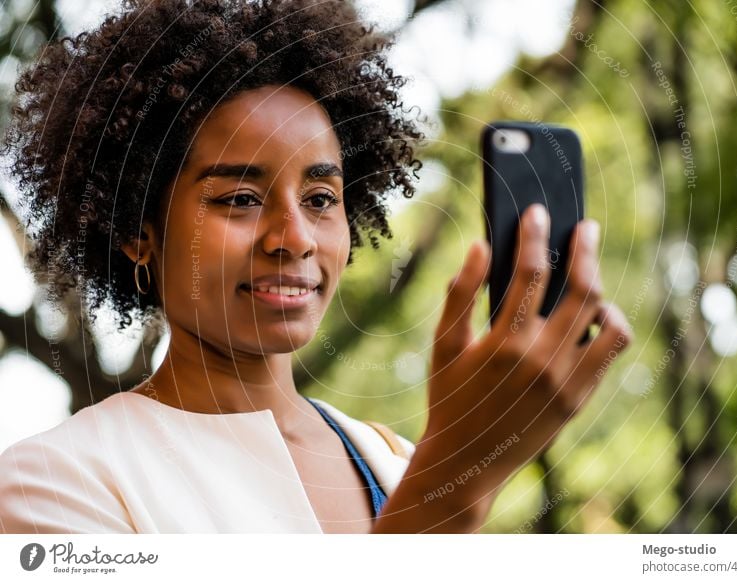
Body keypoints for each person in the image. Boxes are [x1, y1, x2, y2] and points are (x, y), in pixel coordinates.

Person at [0, 0, 631, 534]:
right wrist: (454, 488)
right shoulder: (54, 484)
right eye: (240, 199)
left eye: (321, 199)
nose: (295, 238)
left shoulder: (392, 460)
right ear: (139, 235)